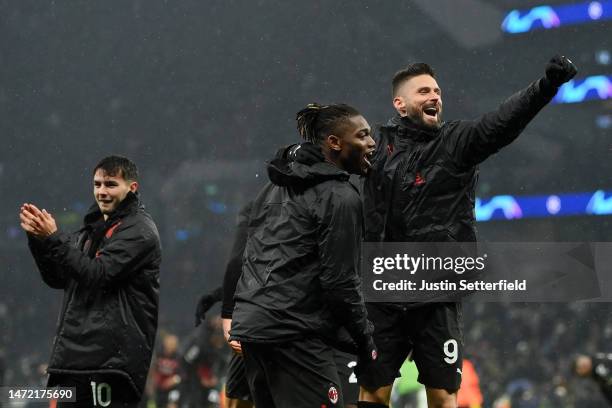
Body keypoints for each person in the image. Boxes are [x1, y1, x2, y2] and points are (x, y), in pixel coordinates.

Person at [281, 55, 577, 408]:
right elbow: (331, 152)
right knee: (373, 392)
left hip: (436, 293)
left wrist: (545, 88)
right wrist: (296, 155)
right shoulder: (376, 146)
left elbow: (502, 123)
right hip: (384, 290)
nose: (435, 96)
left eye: (437, 91)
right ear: (400, 104)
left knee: (442, 395)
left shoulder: (456, 142)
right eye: (424, 91)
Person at [229, 103, 377, 408]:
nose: (372, 143)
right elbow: (340, 282)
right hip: (294, 332)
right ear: (335, 143)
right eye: (363, 135)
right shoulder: (341, 196)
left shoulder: (274, 186)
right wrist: (366, 340)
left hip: (256, 329)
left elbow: (250, 255)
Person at [20, 155, 162, 407]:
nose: (102, 191)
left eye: (110, 184)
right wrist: (39, 240)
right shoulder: (90, 230)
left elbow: (96, 274)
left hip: (110, 362)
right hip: (75, 360)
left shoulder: (140, 231)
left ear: (132, 188)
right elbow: (58, 277)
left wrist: (53, 237)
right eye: (97, 184)